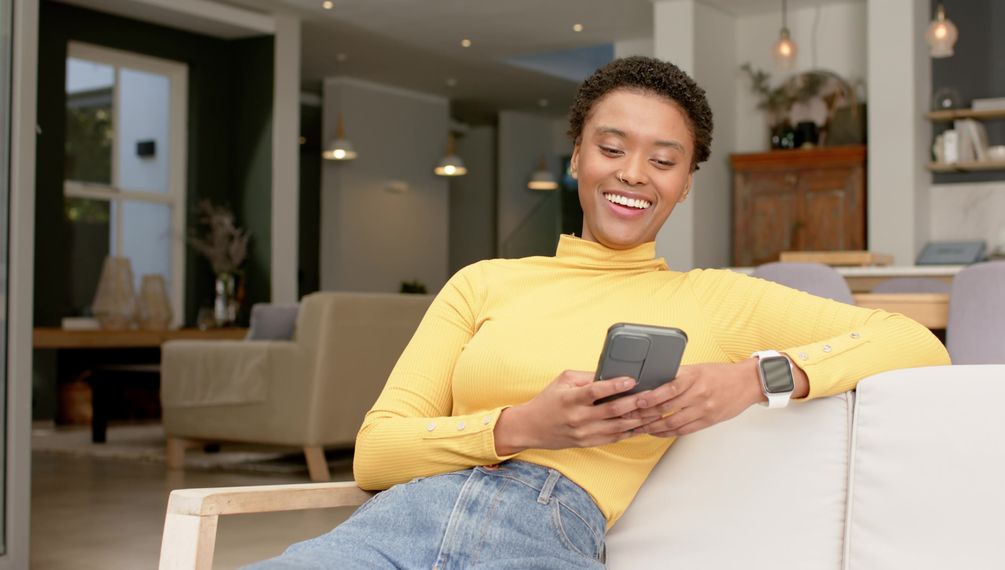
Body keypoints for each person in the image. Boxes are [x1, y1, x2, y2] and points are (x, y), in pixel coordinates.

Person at [250, 56, 950, 569]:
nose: (633, 174)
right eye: (612, 148)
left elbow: (915, 341)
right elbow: (376, 453)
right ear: (578, 156)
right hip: (395, 526)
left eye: (663, 160)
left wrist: (754, 379)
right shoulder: (483, 283)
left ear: (684, 184)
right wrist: (526, 424)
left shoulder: (720, 298)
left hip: (547, 535)